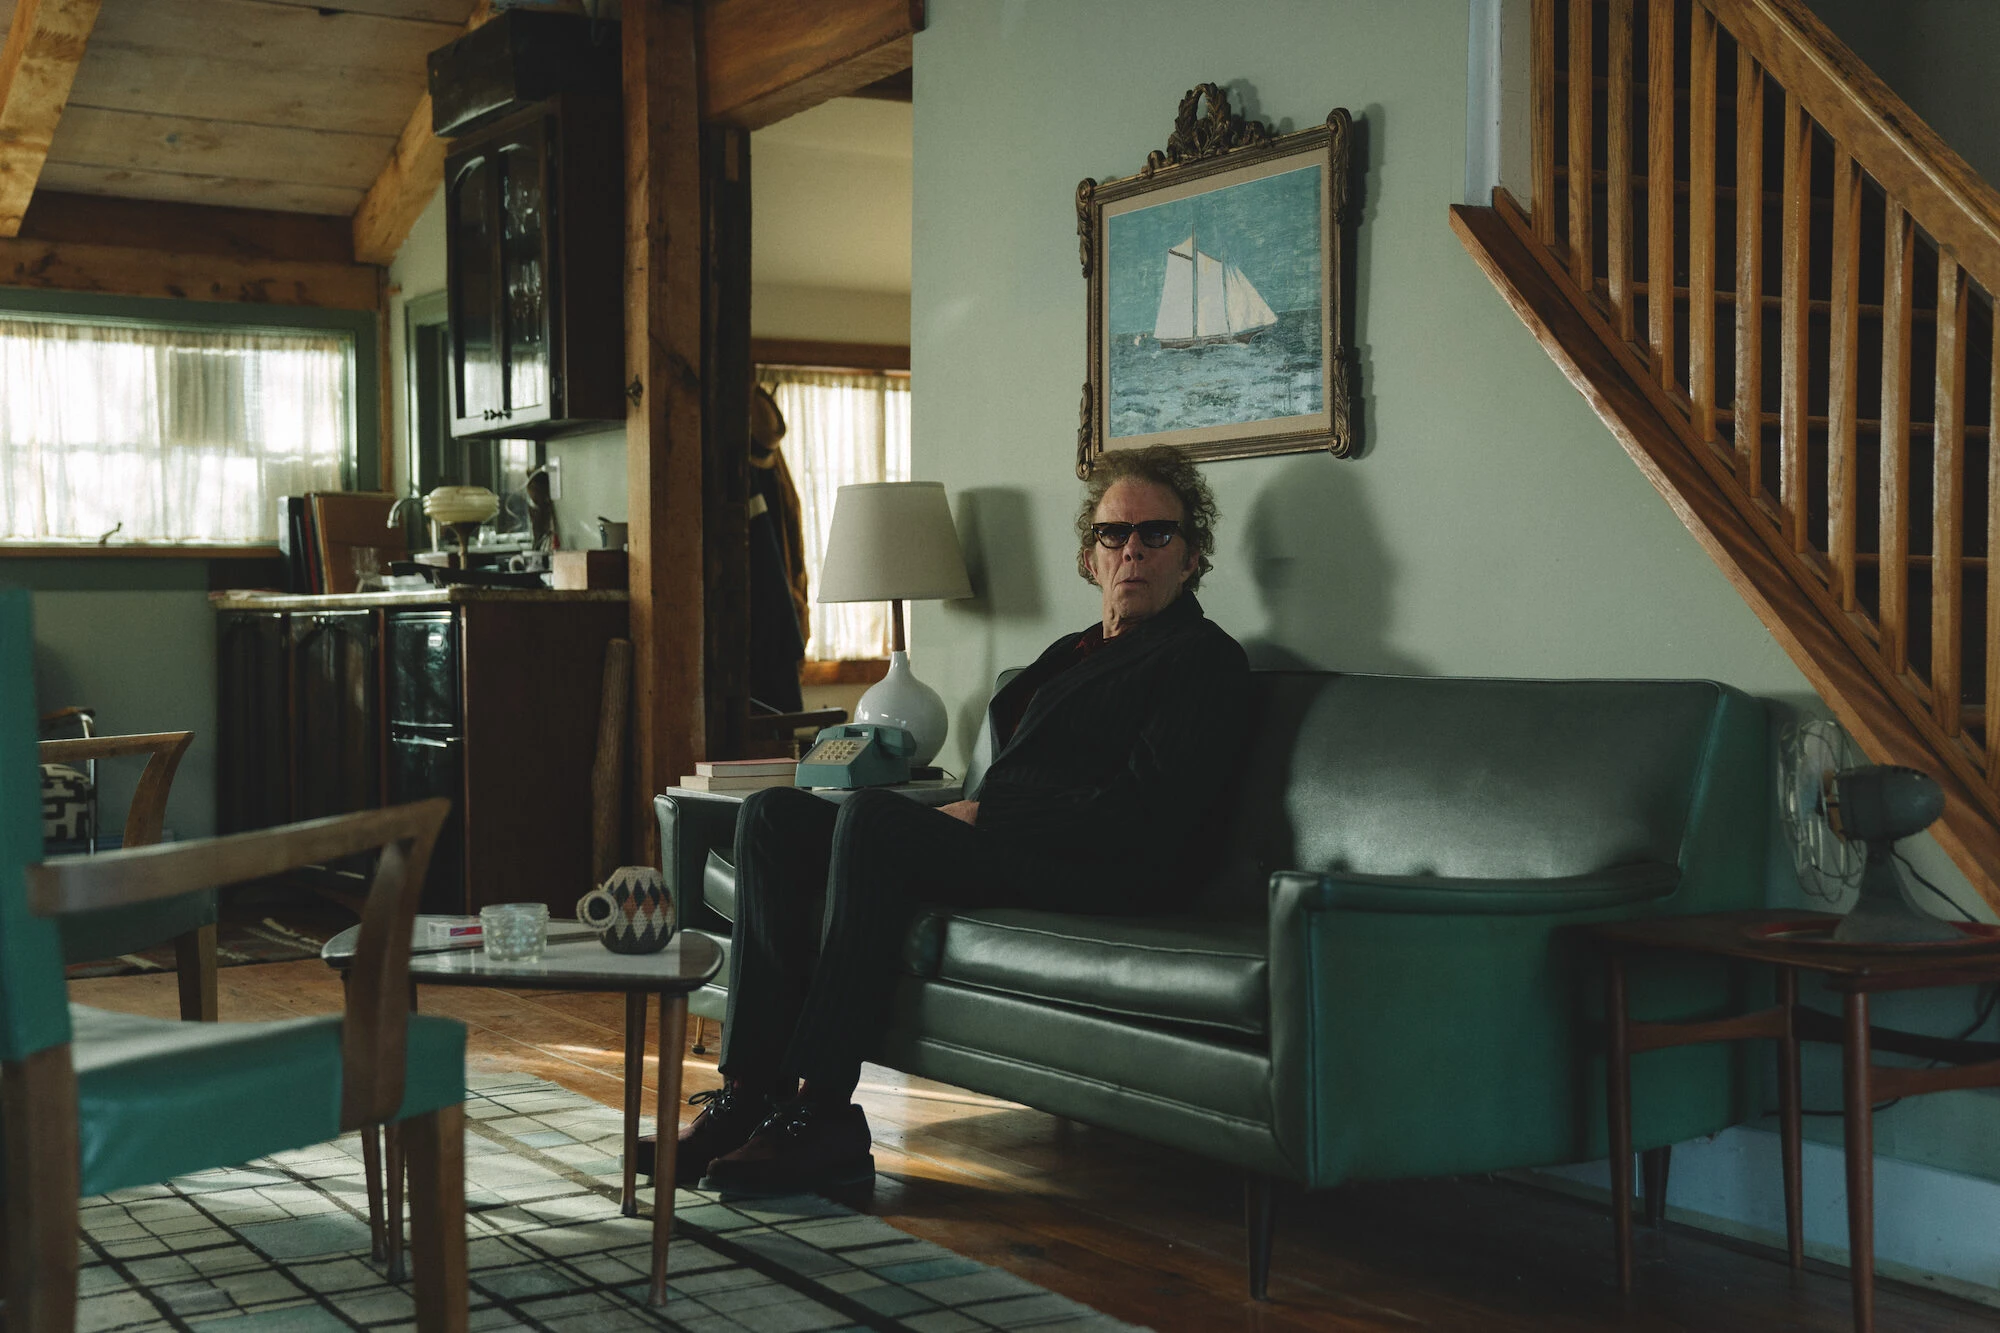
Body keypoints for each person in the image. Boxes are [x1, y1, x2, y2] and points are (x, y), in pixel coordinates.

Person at [680, 444, 1252, 1195]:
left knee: (875, 822)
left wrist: (988, 810)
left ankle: (823, 1116)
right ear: (1090, 558)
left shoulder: (1203, 659)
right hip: (1013, 845)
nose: (1133, 550)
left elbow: (1145, 811)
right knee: (771, 816)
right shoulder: (1070, 653)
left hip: (1104, 866)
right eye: (1114, 534)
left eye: (1156, 533)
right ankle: (749, 1096)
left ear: (1192, 556)